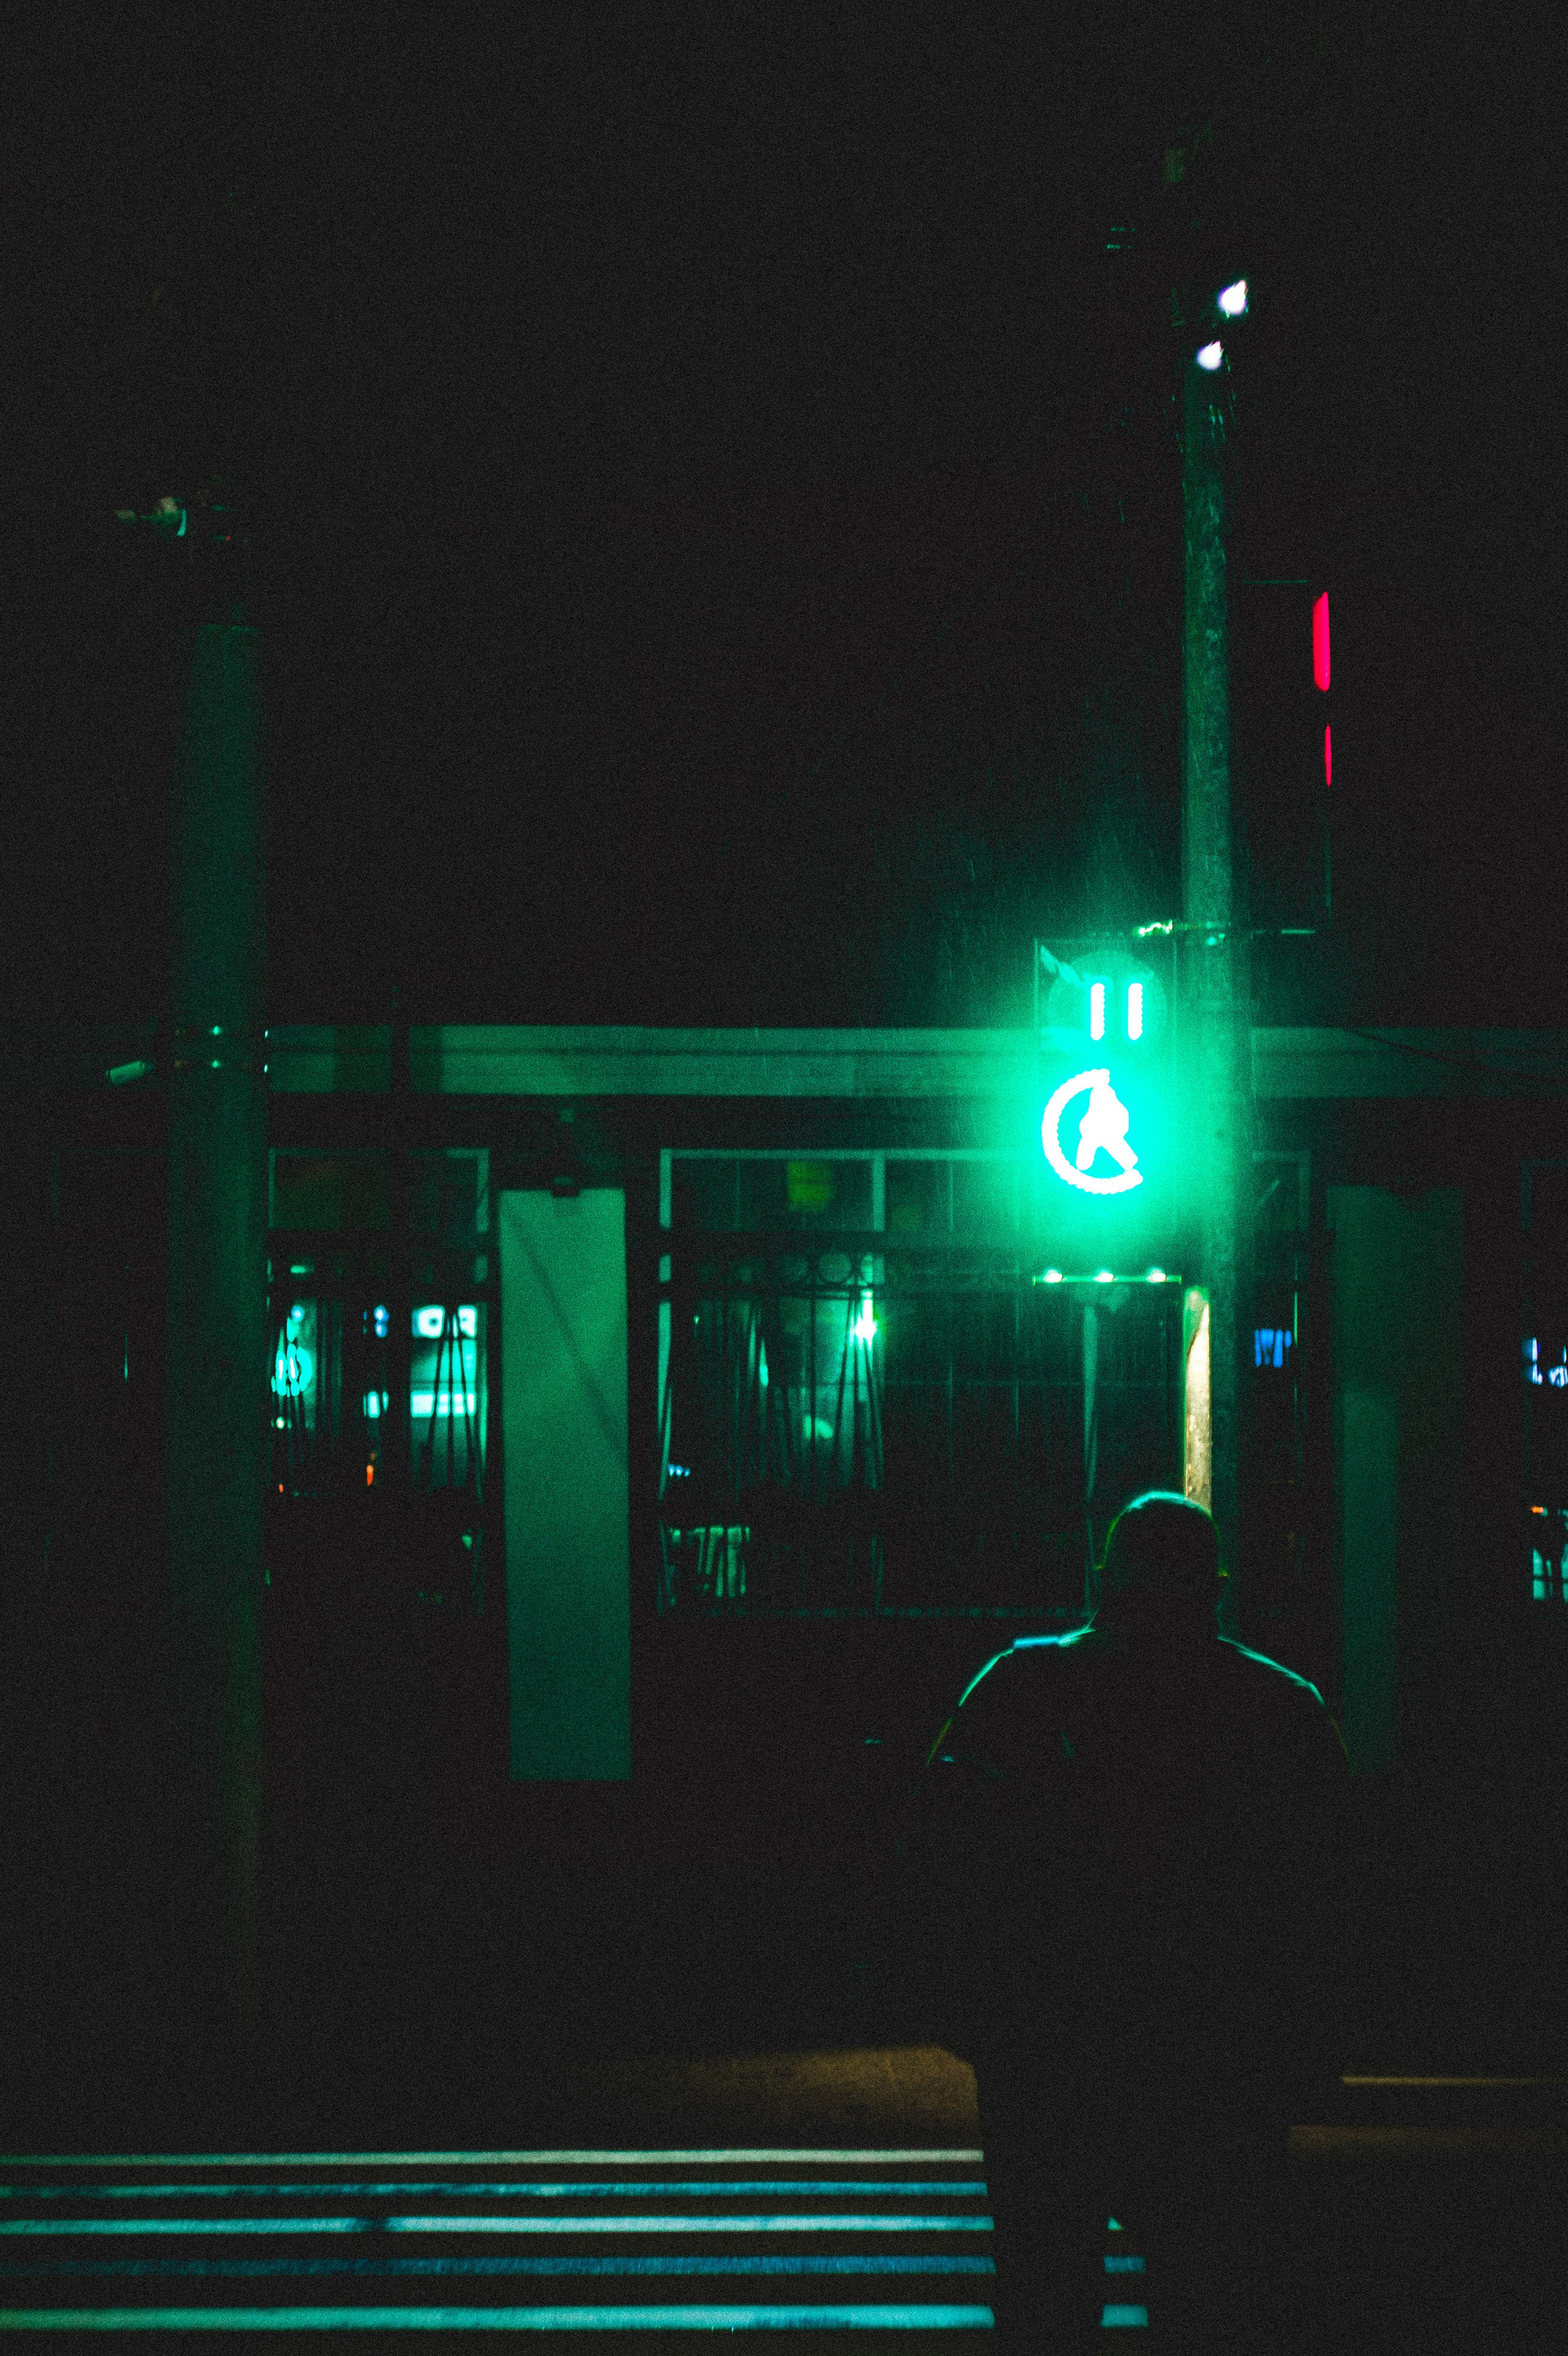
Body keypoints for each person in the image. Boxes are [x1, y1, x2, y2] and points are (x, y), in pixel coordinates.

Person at [886, 1490, 1355, 2354]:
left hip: (1048, 2044)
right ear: (1213, 1586)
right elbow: (1327, 1890)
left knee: (1044, 2286)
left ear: (1105, 1576)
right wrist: (1302, 2041)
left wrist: (975, 2016)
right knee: (1209, 2289)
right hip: (1214, 2050)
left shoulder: (1020, 1683)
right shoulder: (1280, 1704)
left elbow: (938, 1853)